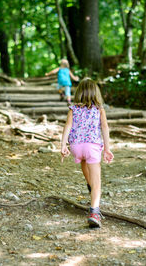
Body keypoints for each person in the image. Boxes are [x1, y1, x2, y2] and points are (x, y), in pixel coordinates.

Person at [60, 78, 114, 228]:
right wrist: (107, 149)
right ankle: (94, 212)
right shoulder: (99, 109)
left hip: (76, 147)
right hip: (92, 146)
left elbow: (67, 126)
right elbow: (104, 127)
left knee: (84, 161)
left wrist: (63, 146)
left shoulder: (73, 108)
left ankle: (91, 188)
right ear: (96, 93)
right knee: (98, 184)